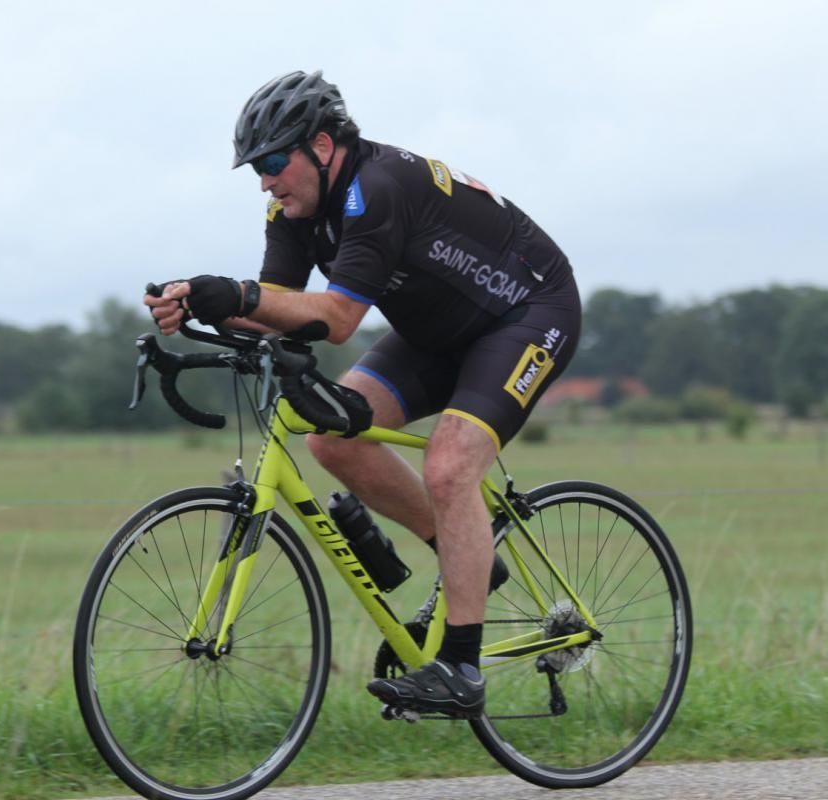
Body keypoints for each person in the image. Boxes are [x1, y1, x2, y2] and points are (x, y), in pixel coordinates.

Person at [145, 70, 581, 718]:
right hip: (436, 333)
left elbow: (341, 318)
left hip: (525, 313)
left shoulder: (375, 189)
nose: (264, 180)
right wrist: (200, 303)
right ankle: (472, 562)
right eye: (255, 169)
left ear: (322, 145)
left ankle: (461, 667)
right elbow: (280, 310)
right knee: (331, 441)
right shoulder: (292, 213)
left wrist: (237, 294)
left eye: (271, 162)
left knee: (451, 463)